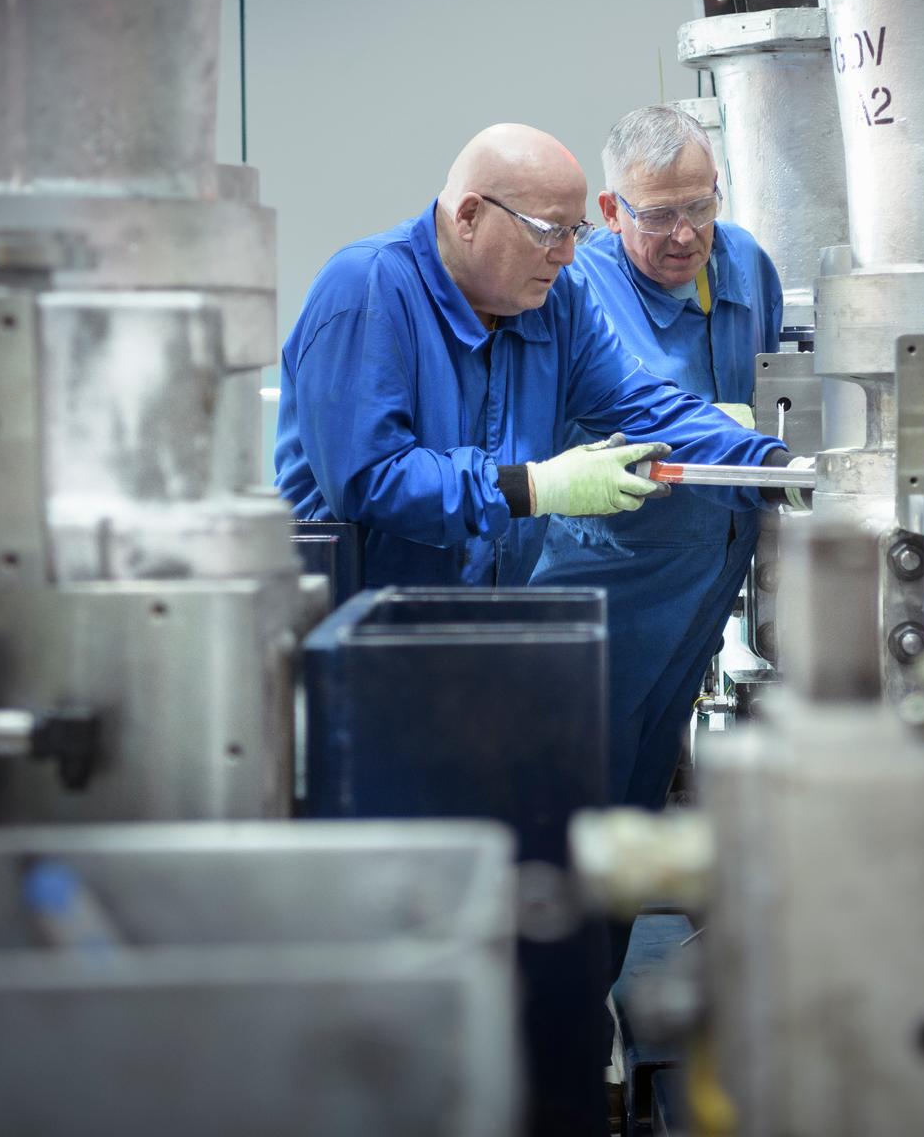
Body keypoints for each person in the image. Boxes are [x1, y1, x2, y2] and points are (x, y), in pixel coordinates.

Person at [274, 122, 793, 593]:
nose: (567, 255)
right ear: (470, 215)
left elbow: (645, 406)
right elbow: (369, 480)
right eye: (548, 232)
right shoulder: (367, 290)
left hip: (481, 629)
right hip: (351, 633)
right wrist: (533, 488)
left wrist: (774, 470)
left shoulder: (554, 301)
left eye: (575, 232)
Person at [529, 105, 786, 812]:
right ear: (611, 210)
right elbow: (623, 408)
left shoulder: (746, 266)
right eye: (659, 215)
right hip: (615, 578)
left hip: (711, 580)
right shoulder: (577, 287)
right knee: (580, 791)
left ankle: (615, 925)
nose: (686, 234)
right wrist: (734, 434)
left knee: (646, 782)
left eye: (701, 206)